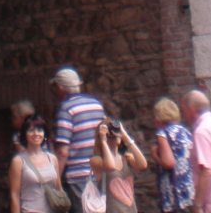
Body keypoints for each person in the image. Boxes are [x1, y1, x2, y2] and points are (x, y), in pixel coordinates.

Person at [51, 67, 106, 211]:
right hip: (99, 171)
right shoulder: (96, 104)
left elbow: (63, 151)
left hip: (78, 175)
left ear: (61, 87)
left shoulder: (66, 108)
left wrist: (56, 180)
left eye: (55, 87)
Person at [9, 114, 66, 213]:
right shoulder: (18, 161)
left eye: (40, 130)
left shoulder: (52, 159)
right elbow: (14, 195)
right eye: (31, 130)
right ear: (25, 134)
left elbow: (58, 188)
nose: (36, 134)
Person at [89, 118, 148, 213]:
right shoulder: (96, 160)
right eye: (110, 135)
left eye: (115, 134)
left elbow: (143, 165)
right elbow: (110, 166)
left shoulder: (126, 157)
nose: (113, 137)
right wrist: (103, 141)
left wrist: (125, 136)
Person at [151, 98, 194, 213]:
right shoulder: (185, 131)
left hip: (173, 191)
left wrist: (155, 155)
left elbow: (169, 163)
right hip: (187, 189)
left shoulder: (163, 134)